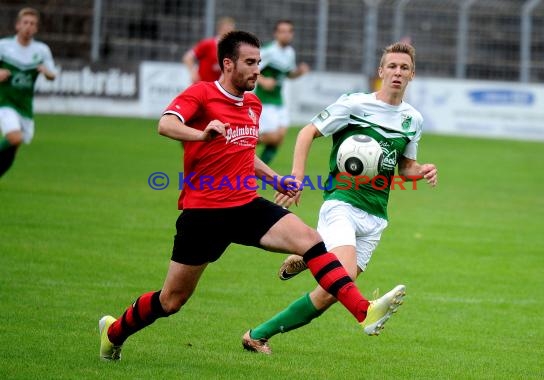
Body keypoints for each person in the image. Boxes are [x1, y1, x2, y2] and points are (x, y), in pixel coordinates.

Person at [98, 31, 401, 361]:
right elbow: (166, 124)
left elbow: (243, 152)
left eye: (259, 62)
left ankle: (364, 311)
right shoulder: (201, 94)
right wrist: (201, 133)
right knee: (172, 300)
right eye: (250, 63)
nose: (258, 70)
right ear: (228, 64)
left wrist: (276, 178)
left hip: (245, 205)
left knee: (310, 240)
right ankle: (113, 333)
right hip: (204, 214)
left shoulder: (253, 104)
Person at [242, 42, 438, 354]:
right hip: (342, 202)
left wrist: (422, 170)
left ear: (412, 74)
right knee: (343, 277)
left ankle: (258, 334)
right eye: (392, 67)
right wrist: (296, 175)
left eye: (404, 68)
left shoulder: (412, 120)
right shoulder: (354, 104)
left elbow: (404, 167)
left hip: (376, 216)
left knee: (330, 293)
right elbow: (308, 132)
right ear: (380, 71)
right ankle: (367, 312)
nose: (397, 73)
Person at [0, 7, 56, 178]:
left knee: (13, 148)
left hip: (24, 105)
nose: (29, 27)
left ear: (36, 28)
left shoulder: (41, 50)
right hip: (4, 101)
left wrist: (46, 72)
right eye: (25, 23)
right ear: (17, 25)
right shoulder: (4, 46)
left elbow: (52, 74)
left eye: (32, 24)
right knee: (14, 138)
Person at [255, 19, 309, 164]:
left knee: (279, 139)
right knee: (272, 137)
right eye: (282, 31)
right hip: (264, 100)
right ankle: (238, 141)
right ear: (276, 33)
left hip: (279, 99)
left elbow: (288, 74)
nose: (286, 34)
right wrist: (263, 81)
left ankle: (253, 174)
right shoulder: (268, 50)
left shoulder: (290, 52)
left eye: (289, 31)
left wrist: (299, 72)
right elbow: (252, 69)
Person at [182, 17, 235, 83]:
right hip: (202, 85)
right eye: (226, 29)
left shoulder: (232, 50)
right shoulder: (208, 44)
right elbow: (188, 57)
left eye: (231, 30)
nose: (228, 33)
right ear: (220, 30)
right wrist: (193, 72)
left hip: (217, 88)